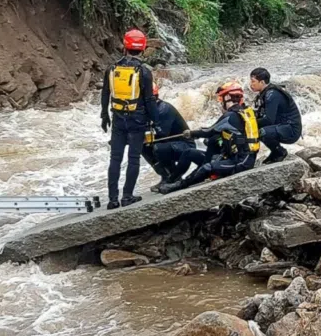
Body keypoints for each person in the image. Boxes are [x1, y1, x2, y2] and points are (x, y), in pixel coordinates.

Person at [159, 81, 260, 194]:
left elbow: (209, 131)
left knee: (207, 167)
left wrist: (191, 133)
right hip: (232, 156)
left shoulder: (230, 116)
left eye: (221, 99)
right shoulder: (243, 112)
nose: (221, 103)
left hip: (241, 162)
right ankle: (171, 180)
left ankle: (179, 186)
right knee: (189, 153)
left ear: (227, 98)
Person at [101, 29, 160, 210]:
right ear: (142, 49)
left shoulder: (112, 69)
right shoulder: (144, 71)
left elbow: (105, 93)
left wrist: (104, 115)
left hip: (118, 118)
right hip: (137, 120)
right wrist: (156, 121)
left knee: (115, 159)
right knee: (133, 158)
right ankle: (127, 196)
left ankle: (112, 199)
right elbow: (149, 100)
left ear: (125, 47)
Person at [142, 84, 193, 192]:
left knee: (159, 148)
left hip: (184, 145)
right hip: (170, 143)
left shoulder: (163, 109)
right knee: (143, 147)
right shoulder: (148, 110)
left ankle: (173, 177)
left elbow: (162, 135)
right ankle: (165, 176)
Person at [249, 68, 303, 164]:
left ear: (262, 82)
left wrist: (249, 124)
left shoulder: (272, 94)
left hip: (291, 129)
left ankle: (279, 152)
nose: (251, 84)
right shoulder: (265, 93)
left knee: (261, 132)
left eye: (253, 81)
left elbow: (268, 120)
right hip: (282, 125)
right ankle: (275, 152)